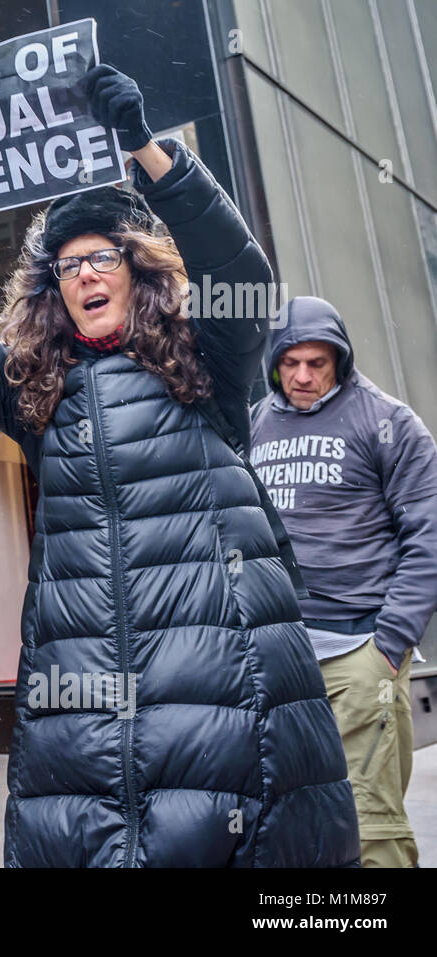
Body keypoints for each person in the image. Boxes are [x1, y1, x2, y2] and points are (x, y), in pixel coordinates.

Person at [0, 64, 359, 867]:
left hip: (221, 686)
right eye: (68, 266)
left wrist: (149, 151)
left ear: (136, 268)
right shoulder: (35, 389)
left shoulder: (206, 357)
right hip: (84, 705)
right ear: (55, 294)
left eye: (102, 256)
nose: (84, 273)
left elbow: (242, 277)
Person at [250, 296, 437, 867]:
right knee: (291, 816)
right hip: (278, 654)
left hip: (361, 651)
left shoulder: (387, 421)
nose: (303, 376)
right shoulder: (255, 423)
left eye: (318, 363)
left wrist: (390, 642)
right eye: (291, 363)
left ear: (340, 360)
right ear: (274, 363)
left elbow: (428, 534)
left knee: (368, 819)